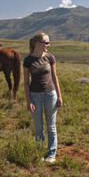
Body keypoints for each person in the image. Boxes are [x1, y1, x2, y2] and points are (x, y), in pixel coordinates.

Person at [23, 32, 63, 163]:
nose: (48, 45)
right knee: (38, 127)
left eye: (48, 42)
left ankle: (51, 154)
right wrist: (28, 101)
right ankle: (39, 152)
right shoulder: (28, 60)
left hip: (50, 94)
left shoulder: (50, 58)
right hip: (35, 96)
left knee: (51, 126)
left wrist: (59, 96)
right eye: (46, 42)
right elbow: (26, 82)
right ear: (37, 43)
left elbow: (54, 77)